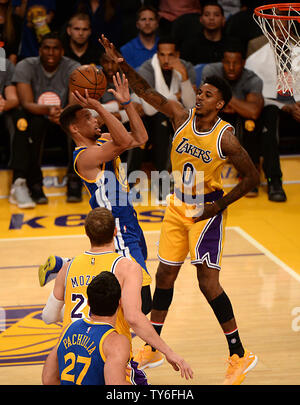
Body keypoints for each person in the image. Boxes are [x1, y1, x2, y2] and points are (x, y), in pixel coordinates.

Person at [100, 33, 260, 385]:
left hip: (206, 208)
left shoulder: (225, 137)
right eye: (199, 92)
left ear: (220, 104)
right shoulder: (178, 117)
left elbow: (253, 178)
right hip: (176, 205)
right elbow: (146, 92)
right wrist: (121, 63)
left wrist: (217, 206)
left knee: (207, 283)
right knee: (164, 276)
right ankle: (154, 346)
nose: (199, 97)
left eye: (207, 95)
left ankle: (238, 354)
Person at [39, 72, 152, 317]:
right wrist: (99, 106)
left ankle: (65, 265)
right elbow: (122, 141)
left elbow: (141, 137)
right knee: (142, 300)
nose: (96, 121)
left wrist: (127, 103)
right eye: (90, 118)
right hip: (115, 227)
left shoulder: (102, 140)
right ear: (75, 128)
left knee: (125, 294)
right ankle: (66, 267)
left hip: (129, 221)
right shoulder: (84, 157)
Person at [42, 207, 194, 384]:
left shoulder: (67, 268)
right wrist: (168, 351)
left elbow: (48, 316)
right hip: (108, 352)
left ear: (86, 233)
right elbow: (134, 318)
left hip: (72, 352)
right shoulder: (127, 268)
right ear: (115, 231)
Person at [202, 40, 287, 201]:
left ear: (243, 63)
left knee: (267, 113)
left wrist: (224, 96)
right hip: (217, 119)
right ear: (222, 62)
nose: (231, 67)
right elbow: (206, 106)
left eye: (236, 63)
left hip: (244, 121)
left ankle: (272, 180)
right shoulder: (211, 71)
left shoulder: (252, 79)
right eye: (227, 63)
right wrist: (239, 104)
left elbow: (253, 111)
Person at [10, 32, 82, 205]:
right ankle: (35, 184)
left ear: (62, 51)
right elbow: (27, 103)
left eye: (55, 48)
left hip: (64, 115)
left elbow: (74, 103)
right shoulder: (25, 65)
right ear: (39, 50)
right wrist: (49, 110)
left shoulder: (74, 67)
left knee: (78, 121)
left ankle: (74, 181)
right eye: (47, 48)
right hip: (37, 115)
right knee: (30, 123)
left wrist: (62, 114)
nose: (51, 52)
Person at [127, 37, 197, 203]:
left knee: (168, 121)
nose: (166, 60)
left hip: (173, 118)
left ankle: (164, 182)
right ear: (156, 55)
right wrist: (177, 95)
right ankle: (135, 183)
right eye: (162, 55)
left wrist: (185, 78)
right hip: (146, 118)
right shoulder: (146, 69)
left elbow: (192, 104)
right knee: (159, 120)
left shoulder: (186, 68)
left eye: (171, 55)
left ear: (177, 55)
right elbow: (150, 108)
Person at [42, 271, 132, 385]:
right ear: (120, 302)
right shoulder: (116, 342)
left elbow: (48, 379)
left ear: (88, 302)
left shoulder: (69, 329)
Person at [179, 1, 227, 66]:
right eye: (207, 15)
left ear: (223, 19)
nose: (211, 18)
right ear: (201, 19)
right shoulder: (189, 44)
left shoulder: (232, 44)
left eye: (216, 15)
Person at [120, 5, 159, 70]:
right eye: (143, 19)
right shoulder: (127, 49)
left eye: (151, 19)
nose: (147, 23)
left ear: (157, 23)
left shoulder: (164, 47)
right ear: (137, 24)